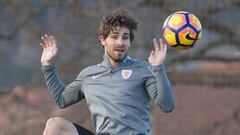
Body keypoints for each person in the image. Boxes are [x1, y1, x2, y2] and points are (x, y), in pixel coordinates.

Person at [40, 8, 175, 135]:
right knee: (54, 124)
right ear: (103, 40)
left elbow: (166, 106)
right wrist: (47, 64)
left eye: (125, 37)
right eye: (114, 36)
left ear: (130, 42)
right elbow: (61, 99)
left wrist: (158, 67)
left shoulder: (143, 69)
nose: (120, 42)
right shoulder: (88, 75)